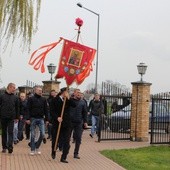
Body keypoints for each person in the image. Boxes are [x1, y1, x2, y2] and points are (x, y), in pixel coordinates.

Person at [50, 87, 75, 163]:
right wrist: (57, 117)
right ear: (63, 92)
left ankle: (63, 157)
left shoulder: (67, 100)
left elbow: (74, 105)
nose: (68, 93)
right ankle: (53, 151)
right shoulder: (55, 100)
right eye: (67, 92)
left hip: (67, 124)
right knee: (55, 139)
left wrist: (68, 98)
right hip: (57, 123)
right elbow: (52, 111)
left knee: (67, 141)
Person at [26, 86, 49, 155]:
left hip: (41, 118)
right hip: (33, 118)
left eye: (41, 90)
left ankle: (37, 146)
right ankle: (32, 149)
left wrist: (47, 119)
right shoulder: (31, 99)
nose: (40, 91)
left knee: (42, 134)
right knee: (32, 135)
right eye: (39, 90)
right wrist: (28, 118)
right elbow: (28, 109)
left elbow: (46, 110)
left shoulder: (44, 99)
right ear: (35, 91)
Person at [0, 83, 20, 153]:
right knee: (4, 132)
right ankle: (4, 147)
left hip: (11, 117)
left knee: (10, 132)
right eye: (14, 88)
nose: (14, 89)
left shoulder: (15, 97)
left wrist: (17, 117)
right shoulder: (2, 96)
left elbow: (17, 108)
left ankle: (10, 147)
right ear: (9, 87)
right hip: (3, 117)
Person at [69, 89, 88, 159]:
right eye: (77, 93)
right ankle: (65, 150)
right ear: (74, 93)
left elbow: (85, 112)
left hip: (79, 122)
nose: (79, 94)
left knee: (78, 138)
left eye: (80, 93)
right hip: (70, 122)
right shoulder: (70, 101)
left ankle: (76, 153)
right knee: (67, 138)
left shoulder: (83, 102)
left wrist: (85, 121)